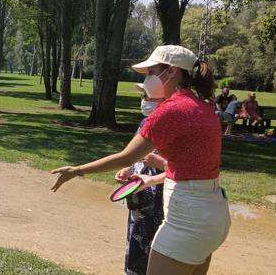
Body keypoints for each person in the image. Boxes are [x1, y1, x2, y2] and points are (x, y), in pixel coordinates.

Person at [51, 45, 230, 275]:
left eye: (151, 72)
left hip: (188, 220)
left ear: (172, 72)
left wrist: (76, 170)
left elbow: (126, 157)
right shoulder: (204, 108)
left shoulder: (171, 110)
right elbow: (194, 172)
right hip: (214, 217)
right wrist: (148, 180)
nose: (147, 79)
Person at [115, 83, 166, 275]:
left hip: (161, 201)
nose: (143, 101)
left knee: (156, 253)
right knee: (135, 246)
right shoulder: (145, 123)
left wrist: (160, 163)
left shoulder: (171, 124)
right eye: (143, 96)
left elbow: (184, 168)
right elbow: (132, 155)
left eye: (147, 96)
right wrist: (126, 170)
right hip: (139, 198)